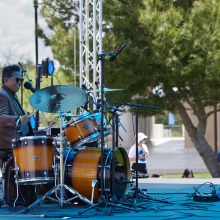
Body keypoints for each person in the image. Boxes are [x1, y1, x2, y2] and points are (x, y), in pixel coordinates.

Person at [0, 65, 34, 154]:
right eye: (17, 79)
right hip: (10, 144)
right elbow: (1, 118)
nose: (20, 83)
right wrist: (19, 119)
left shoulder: (10, 94)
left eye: (21, 80)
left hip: (18, 142)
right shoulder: (2, 94)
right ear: (6, 80)